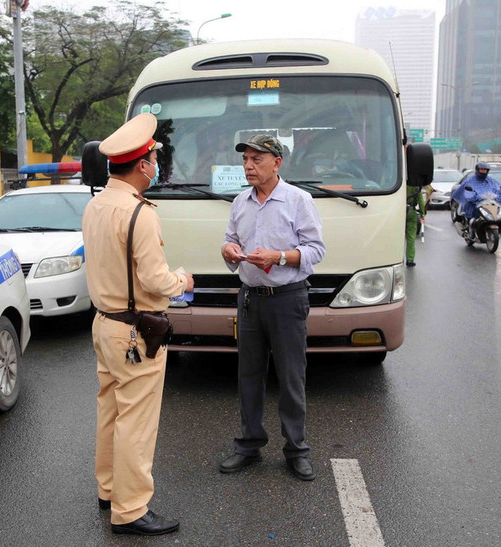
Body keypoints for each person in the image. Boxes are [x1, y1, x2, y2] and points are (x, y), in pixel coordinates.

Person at [81, 113, 193, 537]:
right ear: (143, 164)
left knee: (110, 410)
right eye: (153, 159)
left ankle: (109, 490)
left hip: (104, 324)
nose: (156, 166)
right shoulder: (139, 213)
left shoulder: (96, 205)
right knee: (136, 422)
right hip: (135, 329)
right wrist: (183, 280)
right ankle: (129, 510)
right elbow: (155, 281)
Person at [219, 134, 325, 482]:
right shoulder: (240, 202)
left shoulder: (298, 200)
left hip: (287, 299)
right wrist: (229, 251)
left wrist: (278, 256)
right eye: (246, 160)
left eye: (257, 159)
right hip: (250, 298)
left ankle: (296, 449)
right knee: (248, 376)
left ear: (276, 163)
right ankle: (248, 446)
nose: (249, 166)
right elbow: (231, 239)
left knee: (291, 377)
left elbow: (315, 251)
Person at [451, 162, 501, 233]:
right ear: (478, 170)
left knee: (497, 212)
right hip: (475, 202)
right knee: (470, 208)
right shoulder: (470, 181)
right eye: (482, 170)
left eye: (485, 170)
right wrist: (472, 197)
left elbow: (498, 188)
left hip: (488, 202)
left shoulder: (491, 181)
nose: (483, 172)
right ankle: (469, 227)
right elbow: (467, 192)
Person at [405, 184, 426, 267]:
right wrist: (422, 214)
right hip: (411, 211)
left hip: (398, 210)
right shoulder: (415, 185)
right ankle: (410, 260)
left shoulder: (396, 179)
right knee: (411, 237)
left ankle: (396, 259)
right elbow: (421, 201)